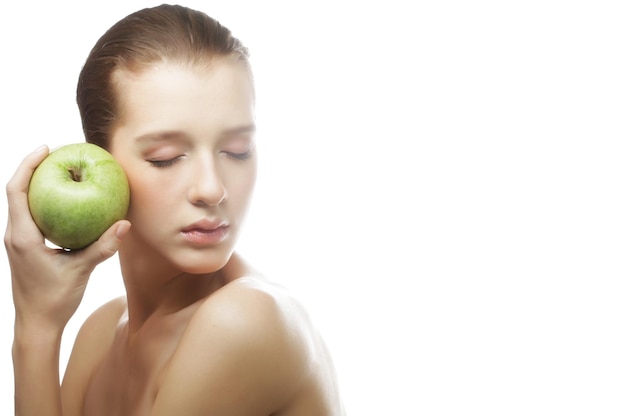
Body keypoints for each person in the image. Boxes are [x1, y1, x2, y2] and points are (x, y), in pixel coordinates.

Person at [5, 4, 344, 415]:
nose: (212, 189)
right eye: (166, 157)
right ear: (100, 163)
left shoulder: (247, 321)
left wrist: (37, 329)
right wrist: (38, 322)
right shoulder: (99, 335)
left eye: (237, 151)